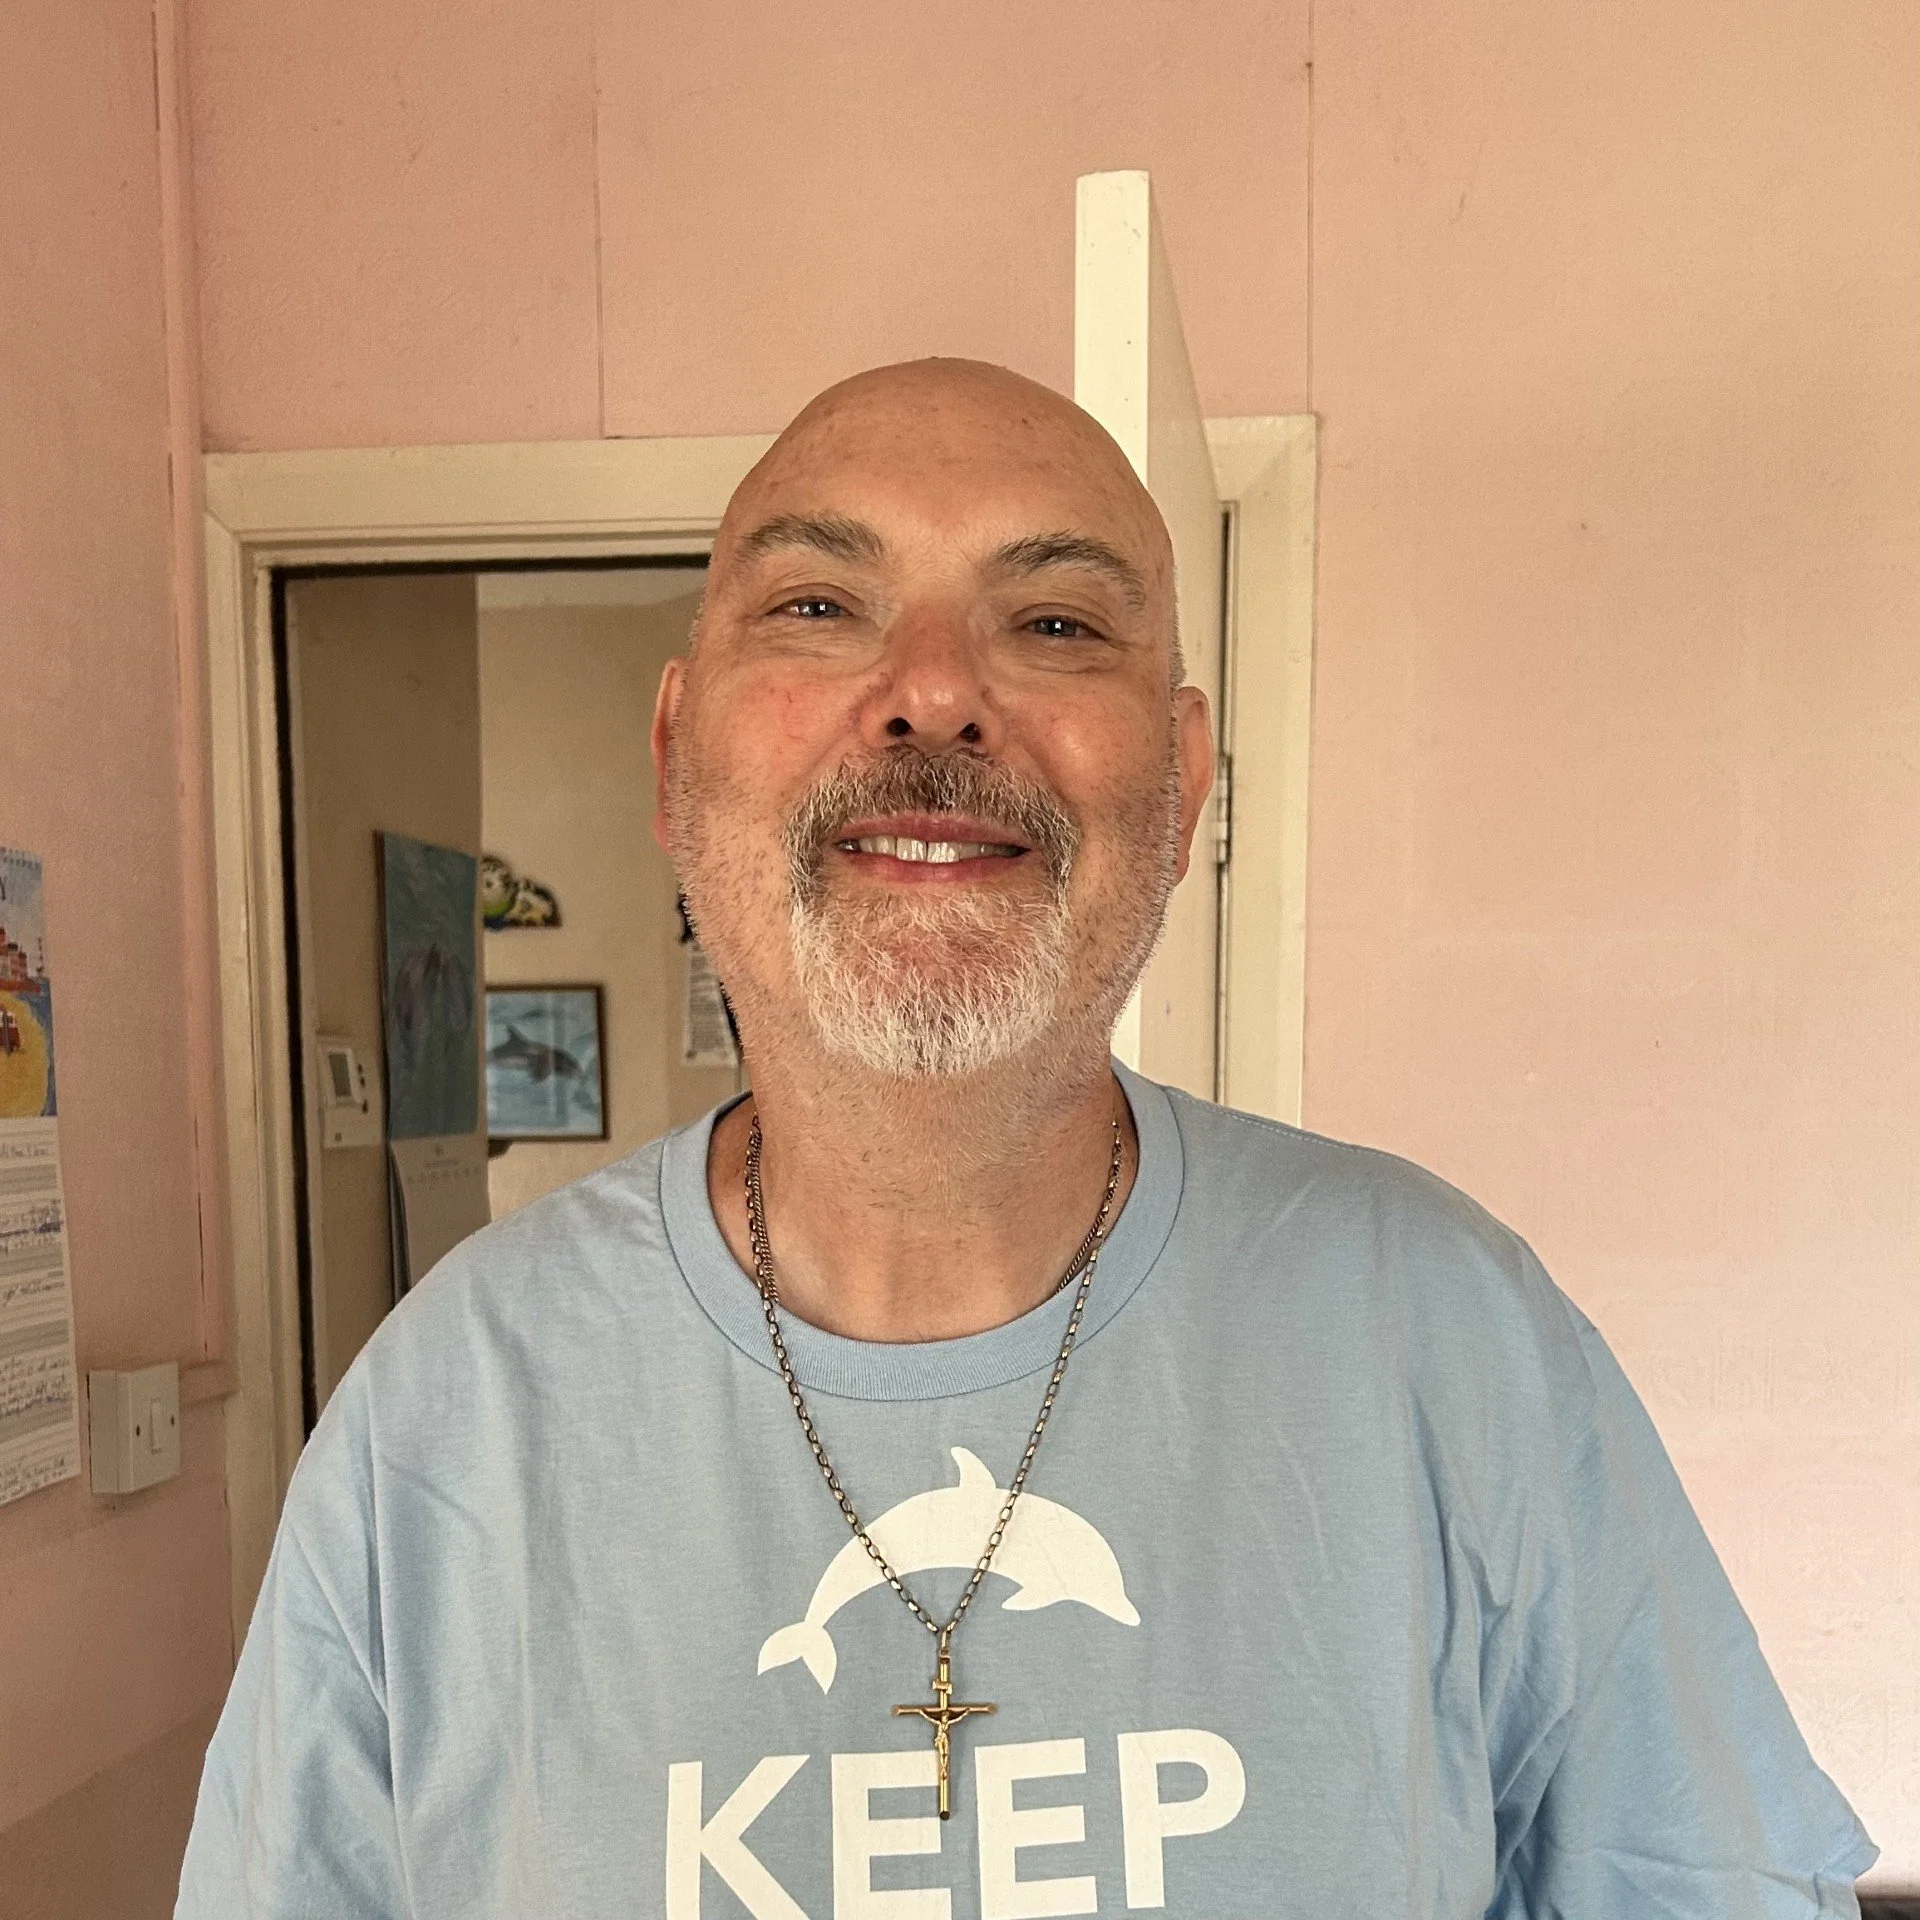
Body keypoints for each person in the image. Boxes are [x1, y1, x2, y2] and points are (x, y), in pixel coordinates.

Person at [177, 359, 1876, 1918]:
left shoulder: (1454, 1336)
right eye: (824, 604)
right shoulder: (442, 1416)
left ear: (1186, 777)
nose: (932, 693)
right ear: (679, 751)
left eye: (1058, 624)